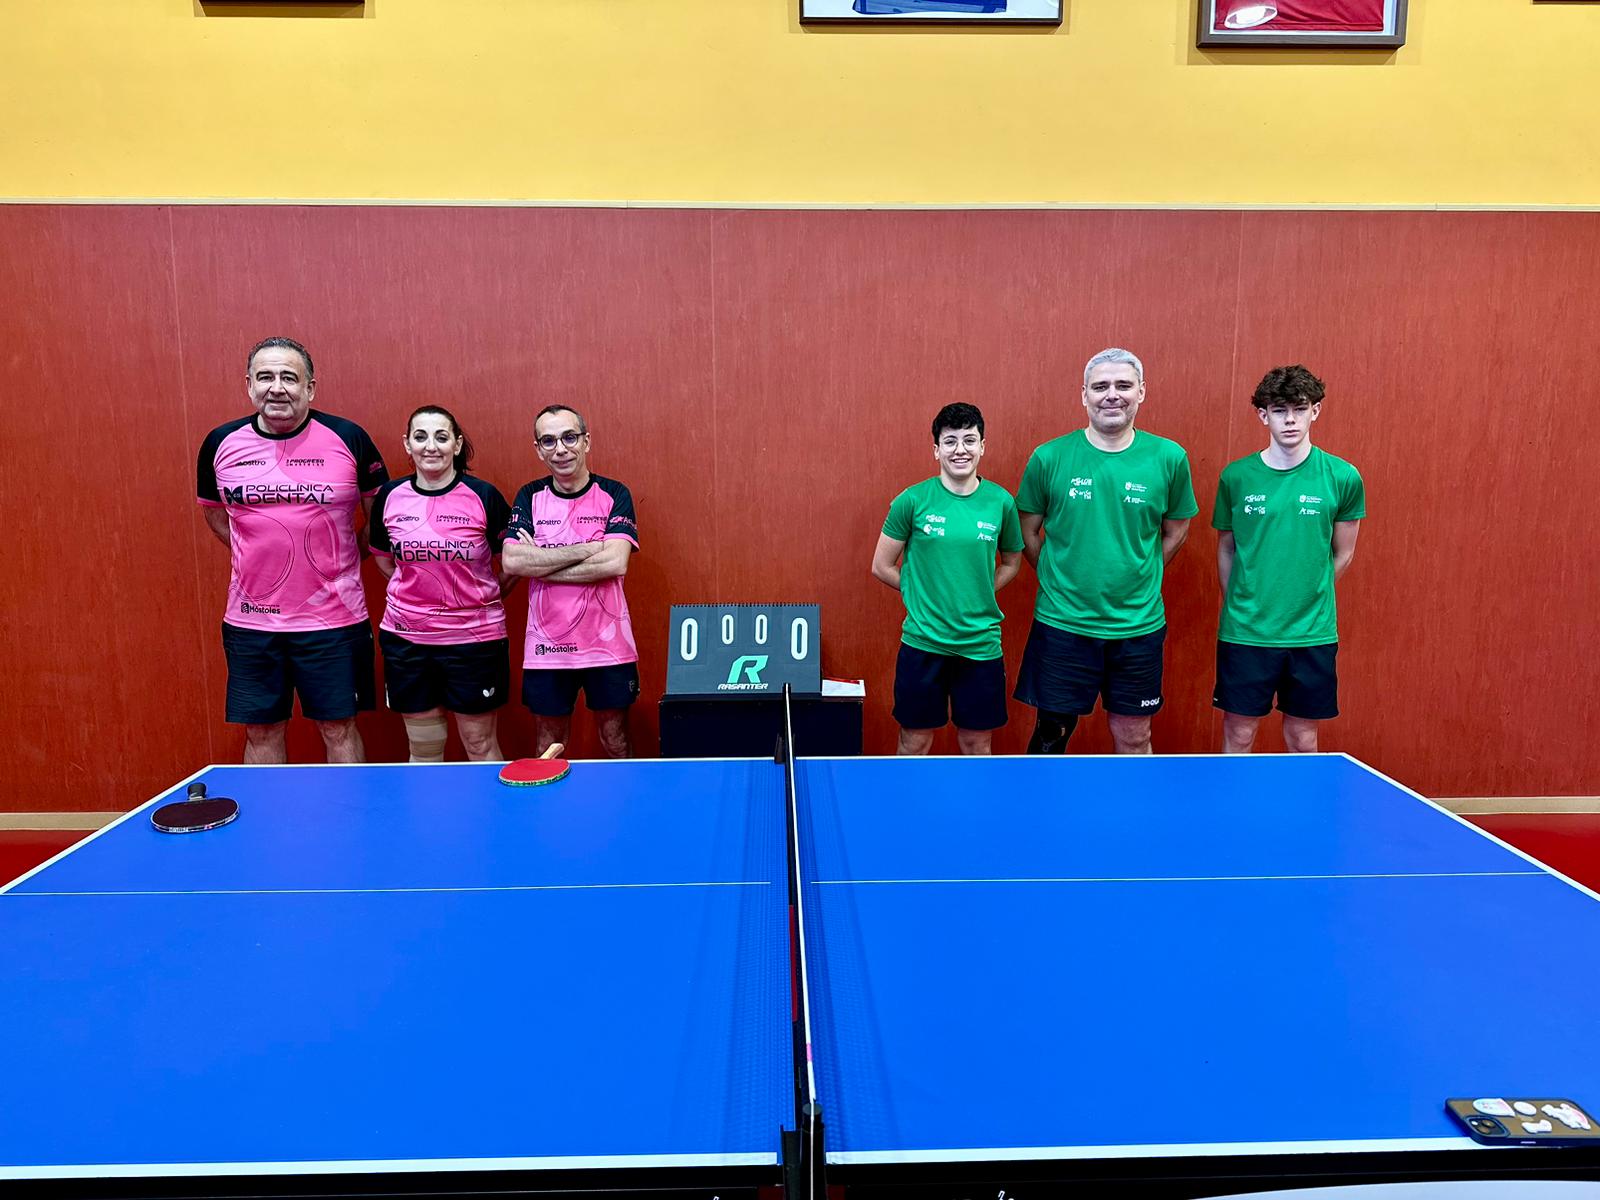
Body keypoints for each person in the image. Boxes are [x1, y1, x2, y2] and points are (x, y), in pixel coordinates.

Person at [196, 337, 389, 764]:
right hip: (252, 622)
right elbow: (216, 516)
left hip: (335, 619)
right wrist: (257, 554)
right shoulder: (220, 442)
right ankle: (268, 811)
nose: (277, 387)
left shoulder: (348, 437)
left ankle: (349, 809)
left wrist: (338, 561)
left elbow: (379, 522)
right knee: (262, 731)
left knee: (339, 727)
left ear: (310, 387)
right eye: (265, 377)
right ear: (249, 385)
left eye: (289, 377)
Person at [1014, 348, 1198, 755]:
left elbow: (1177, 530)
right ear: (1084, 395)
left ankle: (1134, 801)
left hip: (1138, 627)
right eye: (1100, 386)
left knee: (1135, 736)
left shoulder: (1169, 458)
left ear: (1141, 392)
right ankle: (1041, 802)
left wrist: (1142, 572)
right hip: (1063, 623)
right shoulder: (1049, 457)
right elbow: (1026, 530)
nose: (1111, 394)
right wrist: (1056, 575)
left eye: (1123, 385)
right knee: (1051, 735)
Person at [1213, 365, 1364, 753]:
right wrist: (1244, 601)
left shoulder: (1343, 477)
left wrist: (1307, 592)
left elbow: (1344, 552)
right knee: (1239, 733)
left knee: (1302, 737)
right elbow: (1227, 548)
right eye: (1279, 410)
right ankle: (1236, 796)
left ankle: (1304, 799)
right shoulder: (1236, 477)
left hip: (1311, 634)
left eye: (1300, 408)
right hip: (1246, 632)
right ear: (1263, 415)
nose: (1291, 420)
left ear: (1316, 411)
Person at [871, 403, 1024, 754]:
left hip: (980, 645)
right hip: (923, 642)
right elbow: (881, 565)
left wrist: (980, 592)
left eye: (969, 440)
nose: (960, 450)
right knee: (915, 740)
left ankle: (974, 796)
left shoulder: (1001, 502)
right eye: (950, 441)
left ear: (982, 446)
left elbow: (1012, 562)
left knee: (976, 743)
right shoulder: (912, 500)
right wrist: (921, 593)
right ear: (936, 450)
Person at [369, 406, 516, 763]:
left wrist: (480, 596)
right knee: (424, 747)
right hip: (408, 642)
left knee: (479, 745)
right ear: (408, 444)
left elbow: (512, 565)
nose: (430, 446)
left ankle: (488, 804)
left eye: (441, 436)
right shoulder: (390, 496)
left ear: (457, 444)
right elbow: (385, 560)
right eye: (420, 437)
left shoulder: (484, 496)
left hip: (474, 642)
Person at [501, 405, 640, 757]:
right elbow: (513, 561)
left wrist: (541, 563)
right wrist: (590, 548)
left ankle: (621, 797)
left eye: (569, 437)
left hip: (608, 646)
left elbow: (614, 562)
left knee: (616, 742)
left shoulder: (614, 493)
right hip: (547, 649)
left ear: (586, 441)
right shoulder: (529, 496)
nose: (560, 449)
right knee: (548, 747)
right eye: (548, 441)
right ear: (538, 449)